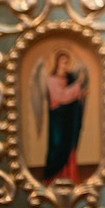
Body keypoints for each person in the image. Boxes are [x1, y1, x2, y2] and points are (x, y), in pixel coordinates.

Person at [42, 50, 88, 183]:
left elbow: (72, 96)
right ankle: (53, 178)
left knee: (69, 145)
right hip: (58, 118)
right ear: (57, 63)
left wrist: (81, 93)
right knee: (57, 146)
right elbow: (61, 96)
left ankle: (69, 175)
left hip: (69, 117)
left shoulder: (70, 77)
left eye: (67, 62)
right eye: (63, 62)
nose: (65, 64)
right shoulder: (51, 79)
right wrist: (78, 84)